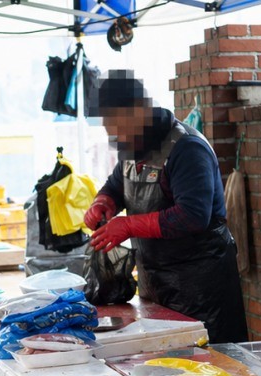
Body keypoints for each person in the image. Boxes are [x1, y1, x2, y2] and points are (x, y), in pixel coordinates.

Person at [84, 71, 248, 344]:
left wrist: (127, 225)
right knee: (164, 365)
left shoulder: (187, 149)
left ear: (139, 111)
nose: (113, 134)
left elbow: (192, 216)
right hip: (156, 285)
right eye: (108, 127)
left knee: (213, 369)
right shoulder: (133, 146)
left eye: (116, 125)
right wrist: (104, 202)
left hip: (201, 290)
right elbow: (116, 185)